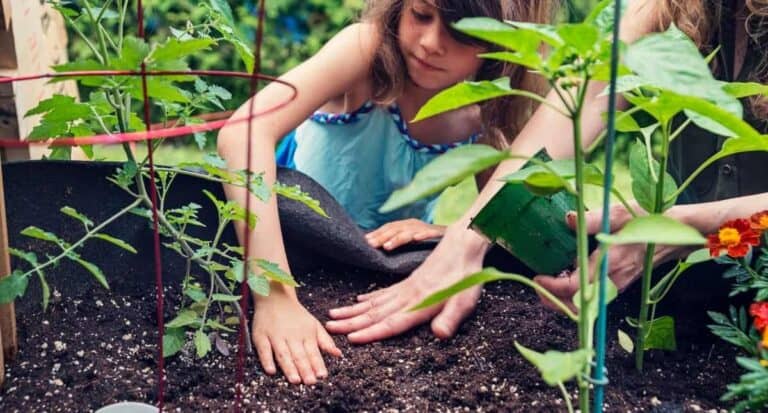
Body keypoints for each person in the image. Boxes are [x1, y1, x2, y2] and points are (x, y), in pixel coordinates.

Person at [327, 0, 768, 342]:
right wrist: (466, 238)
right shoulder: (673, 6)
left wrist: (688, 224)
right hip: (684, 291)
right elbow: (578, 98)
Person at [217, 0, 556, 385]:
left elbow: (512, 219)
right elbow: (244, 134)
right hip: (295, 241)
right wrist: (274, 297)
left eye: (462, 33)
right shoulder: (367, 52)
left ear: (505, 45)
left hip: (382, 269)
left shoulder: (480, 117)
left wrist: (448, 233)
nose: (430, 42)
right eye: (422, 15)